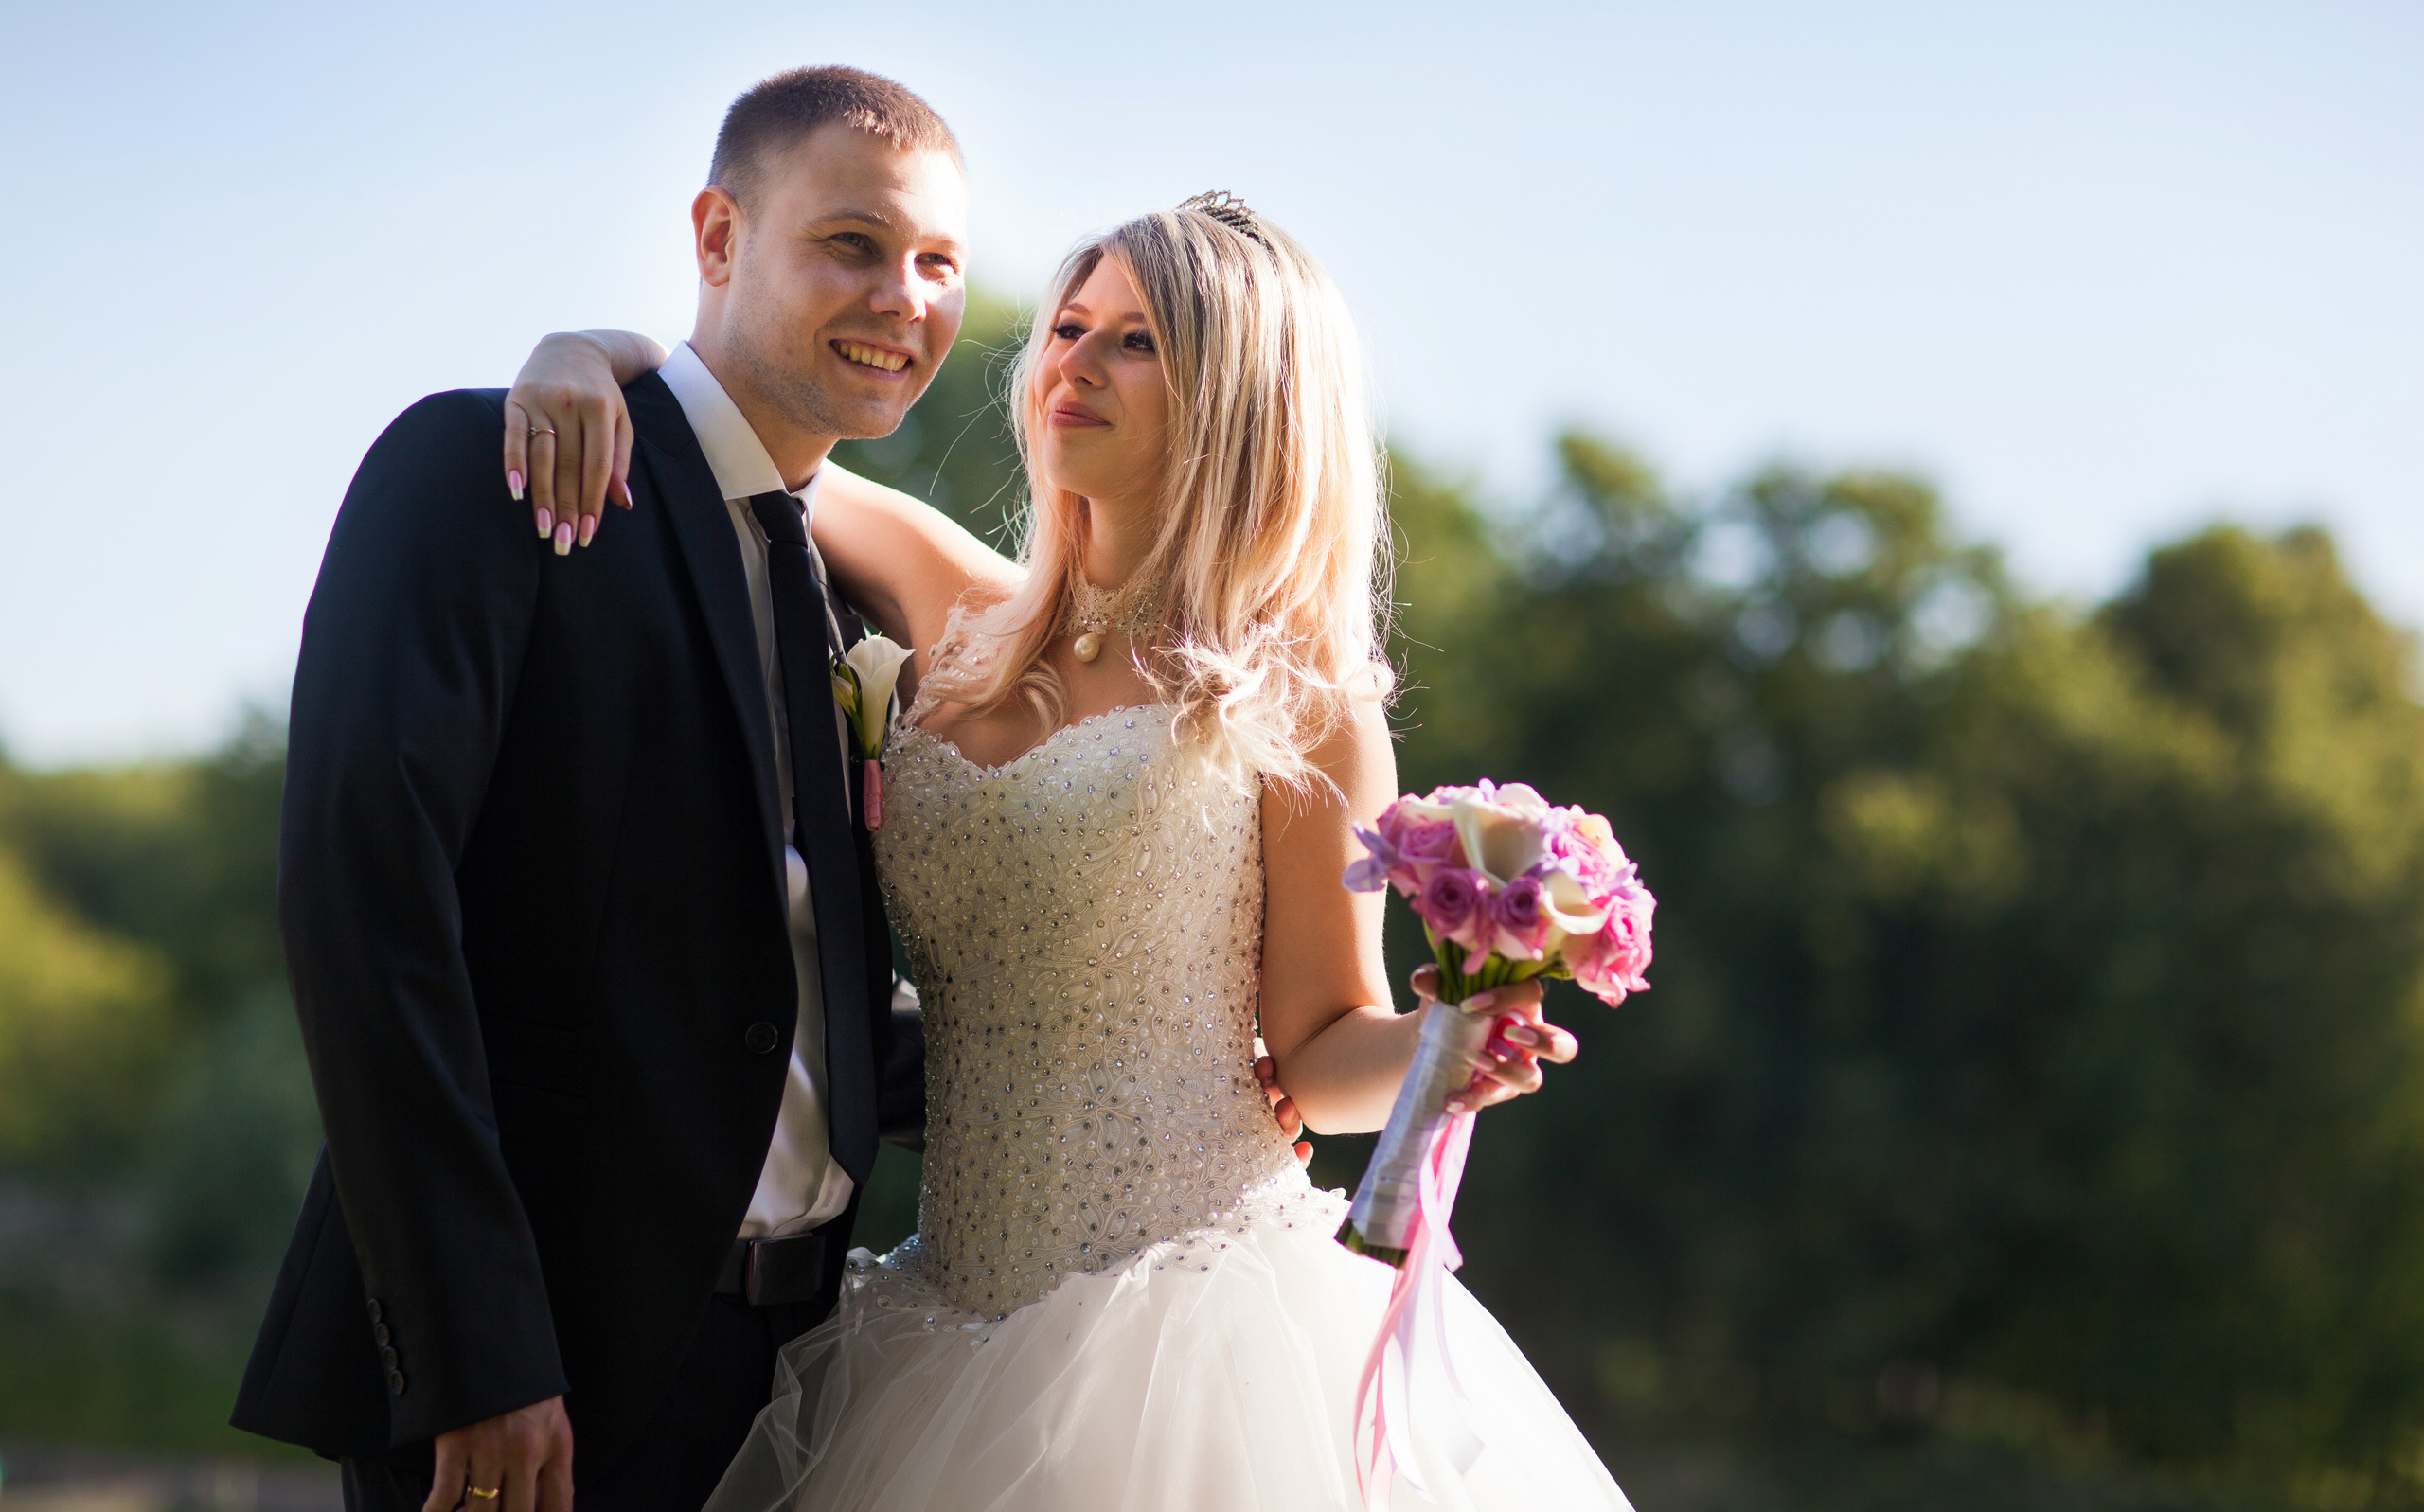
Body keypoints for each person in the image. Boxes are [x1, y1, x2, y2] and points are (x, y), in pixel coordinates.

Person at [502, 187, 1632, 1507]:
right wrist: (578, 358)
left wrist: (1452, 1051)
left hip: (1196, 1338)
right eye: (1069, 326)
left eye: (1137, 341)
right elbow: (737, 427)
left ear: (1240, 396)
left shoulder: (1300, 706)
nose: (1071, 365)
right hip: (937, 1324)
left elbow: (1322, 1047)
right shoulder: (949, 599)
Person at [232, 67, 964, 1512]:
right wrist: (478, 1347)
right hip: (539, 1379)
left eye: (939, 262)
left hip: (810, 1374)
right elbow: (367, 915)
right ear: (716, 237)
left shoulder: (832, 575)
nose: (905, 299)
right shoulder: (486, 469)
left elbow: (788, 989)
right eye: (854, 245)